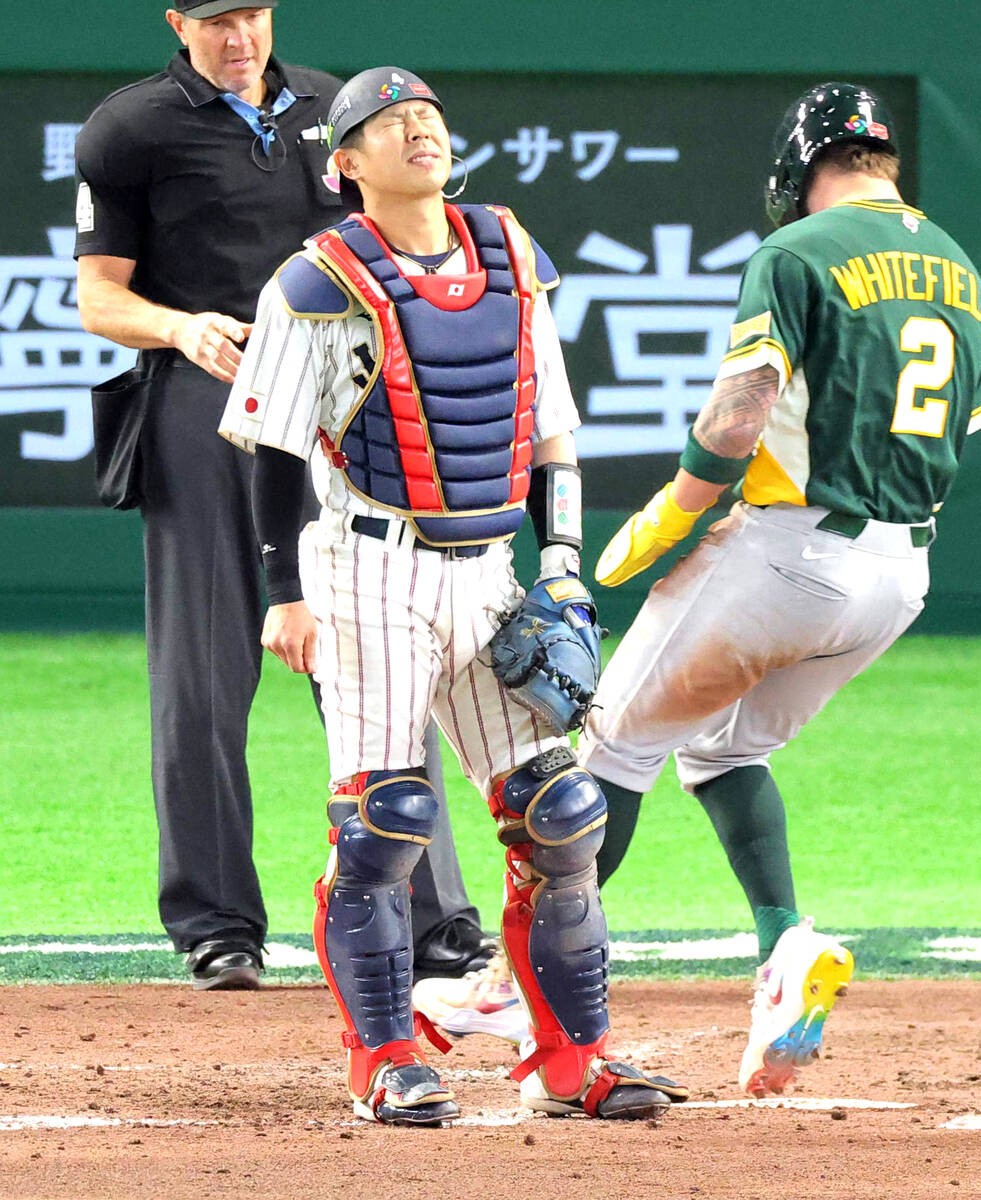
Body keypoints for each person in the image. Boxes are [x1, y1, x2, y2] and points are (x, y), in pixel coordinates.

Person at [218, 65, 686, 1125]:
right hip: (364, 568)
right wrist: (281, 591)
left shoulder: (512, 256)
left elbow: (550, 429)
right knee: (385, 821)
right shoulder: (318, 281)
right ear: (345, 166)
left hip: (490, 571)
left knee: (562, 816)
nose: (417, 129)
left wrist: (562, 560)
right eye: (386, 124)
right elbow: (276, 451)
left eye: (426, 115)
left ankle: (576, 1057)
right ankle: (383, 1056)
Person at [578, 82, 981, 1098]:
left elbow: (741, 409)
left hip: (790, 555)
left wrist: (683, 506)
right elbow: (954, 429)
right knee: (726, 749)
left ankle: (528, 983)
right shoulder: (962, 271)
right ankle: (787, 947)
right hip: (899, 575)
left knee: (613, 748)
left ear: (802, 167)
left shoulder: (796, 252)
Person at [73, 2, 491, 991]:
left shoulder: (328, 107)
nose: (238, 37)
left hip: (343, 406)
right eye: (215, 19)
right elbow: (98, 297)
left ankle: (436, 918)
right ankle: (218, 927)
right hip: (205, 403)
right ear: (177, 22)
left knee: (377, 657)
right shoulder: (131, 128)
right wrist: (179, 330)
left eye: (252, 13)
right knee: (204, 679)